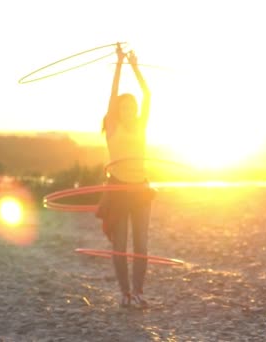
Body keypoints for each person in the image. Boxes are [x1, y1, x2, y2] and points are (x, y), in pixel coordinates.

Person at [97, 43, 153, 308]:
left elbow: (148, 95)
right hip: (118, 189)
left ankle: (139, 292)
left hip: (140, 189)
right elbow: (112, 96)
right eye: (124, 107)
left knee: (141, 245)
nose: (129, 110)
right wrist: (119, 65)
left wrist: (136, 67)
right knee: (120, 245)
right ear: (118, 111)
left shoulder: (140, 127)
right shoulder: (112, 127)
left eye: (132, 107)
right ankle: (125, 293)